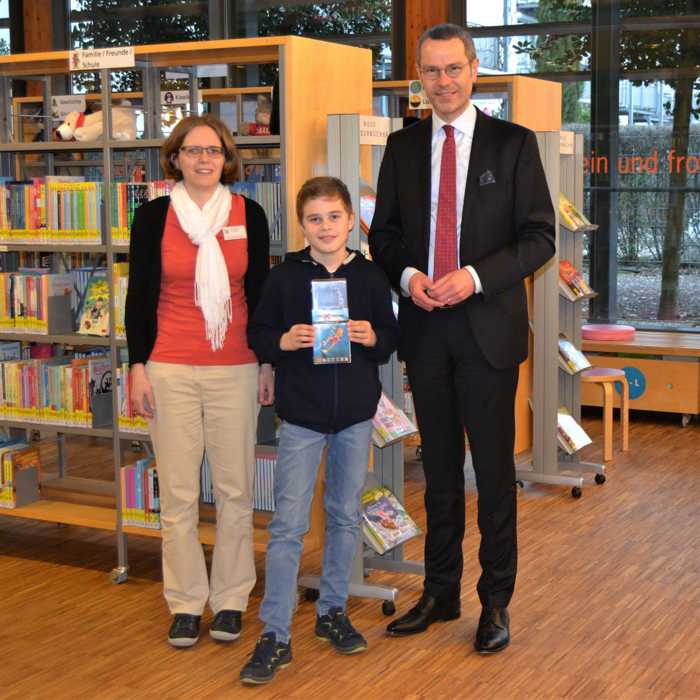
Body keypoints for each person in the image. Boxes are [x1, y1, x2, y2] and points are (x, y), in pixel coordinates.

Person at [369, 23, 556, 653]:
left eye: (453, 69)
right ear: (418, 79)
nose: (443, 82)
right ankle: (440, 591)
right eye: (431, 71)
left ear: (475, 70)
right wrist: (410, 275)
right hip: (424, 330)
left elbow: (538, 237)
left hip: (487, 334)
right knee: (440, 472)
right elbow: (383, 237)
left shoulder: (513, 145)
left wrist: (473, 278)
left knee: (495, 474)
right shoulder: (401, 147)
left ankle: (495, 602)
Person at [241, 176, 399, 685]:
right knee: (288, 525)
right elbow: (259, 333)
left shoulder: (372, 277)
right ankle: (275, 633)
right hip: (301, 417)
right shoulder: (285, 276)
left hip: (355, 415)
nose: (325, 227)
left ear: (351, 220)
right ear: (301, 224)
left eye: (334, 217)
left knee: (345, 517)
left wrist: (375, 335)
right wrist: (284, 341)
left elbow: (390, 337)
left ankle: (332, 611)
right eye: (314, 219)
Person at [124, 114, 273, 648]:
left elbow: (260, 293)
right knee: (181, 496)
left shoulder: (248, 214)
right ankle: (186, 603)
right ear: (176, 158)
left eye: (213, 151)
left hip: (235, 366)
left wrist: (268, 363)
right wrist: (137, 365)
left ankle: (230, 600)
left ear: (226, 158)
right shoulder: (153, 217)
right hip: (169, 367)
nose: (204, 159)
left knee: (235, 492)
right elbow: (139, 295)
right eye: (193, 151)